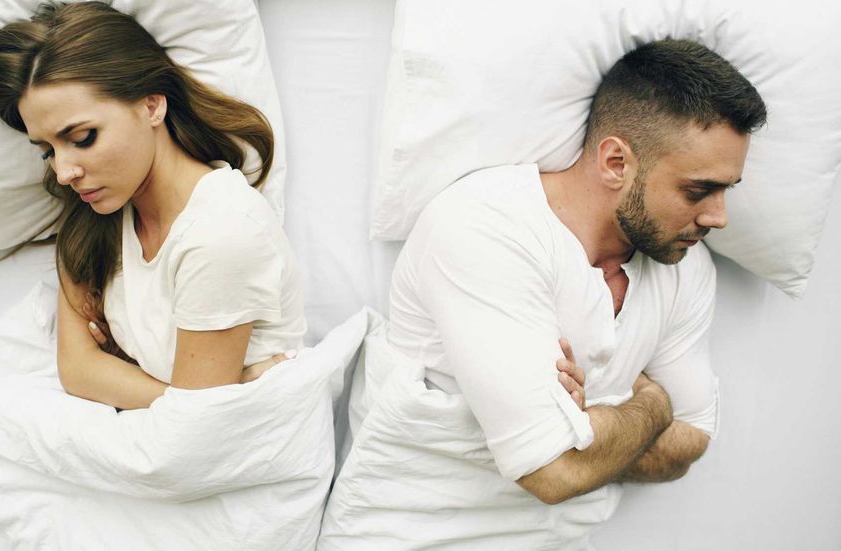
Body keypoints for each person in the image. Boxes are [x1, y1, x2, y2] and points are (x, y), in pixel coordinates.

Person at [318, 39, 766, 549]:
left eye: (726, 190)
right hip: (408, 536)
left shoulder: (683, 263)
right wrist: (652, 403)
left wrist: (588, 427)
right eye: (697, 191)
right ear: (616, 162)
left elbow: (690, 442)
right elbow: (553, 472)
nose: (718, 217)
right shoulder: (485, 227)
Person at [0, 1, 306, 410]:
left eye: (82, 138)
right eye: (48, 151)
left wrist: (123, 369)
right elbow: (76, 370)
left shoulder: (223, 232)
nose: (63, 172)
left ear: (151, 105)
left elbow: (197, 421)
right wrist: (232, 387)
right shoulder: (98, 219)